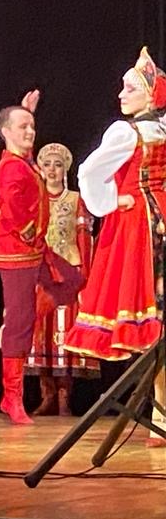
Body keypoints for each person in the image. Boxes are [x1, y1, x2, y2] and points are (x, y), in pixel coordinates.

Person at [65, 48, 166, 444]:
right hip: (160, 217)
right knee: (159, 317)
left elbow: (89, 171)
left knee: (150, 312)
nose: (121, 95)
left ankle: (161, 410)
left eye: (130, 88)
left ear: (150, 95)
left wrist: (111, 201)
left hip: (139, 224)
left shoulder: (127, 132)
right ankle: (161, 409)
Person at [0, 91, 82, 425]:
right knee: (21, 323)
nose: (30, 131)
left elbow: (26, 158)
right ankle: (11, 397)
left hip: (35, 250)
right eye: (23, 127)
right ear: (6, 133)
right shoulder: (9, 167)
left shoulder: (22, 162)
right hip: (17, 252)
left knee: (73, 279)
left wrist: (25, 111)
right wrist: (29, 235)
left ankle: (21, 317)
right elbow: (12, 207)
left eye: (32, 126)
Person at [26, 142, 97, 416]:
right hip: (40, 271)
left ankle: (65, 397)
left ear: (65, 169)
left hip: (69, 271)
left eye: (57, 165)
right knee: (40, 332)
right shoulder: (34, 200)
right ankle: (47, 395)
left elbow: (84, 239)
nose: (52, 170)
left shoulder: (76, 200)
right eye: (47, 165)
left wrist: (85, 278)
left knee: (64, 332)